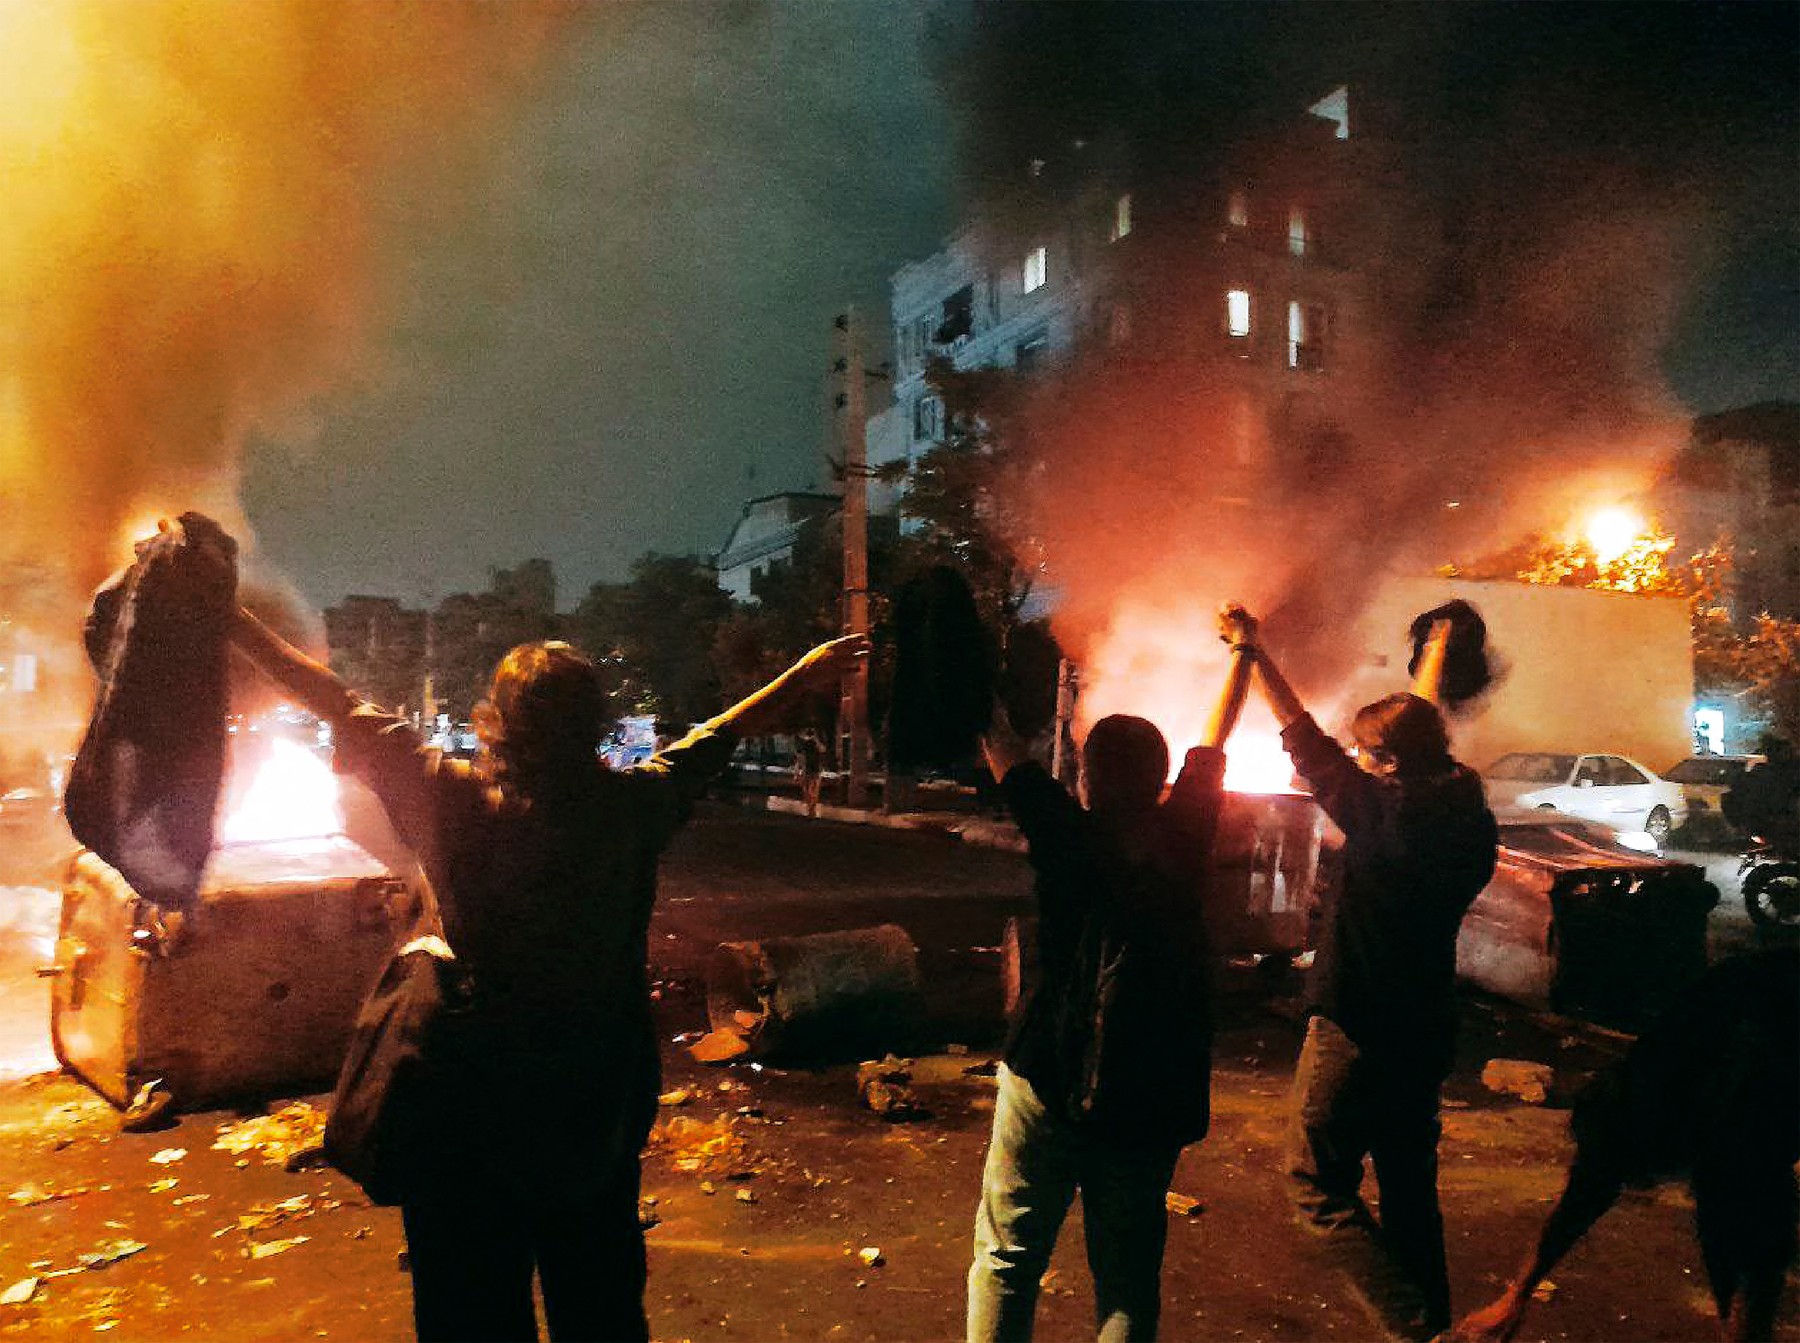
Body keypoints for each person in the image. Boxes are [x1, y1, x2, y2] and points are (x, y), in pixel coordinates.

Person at [228, 589, 867, 1343]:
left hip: (464, 1116)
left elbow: (334, 700)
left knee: (470, 1314)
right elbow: (719, 734)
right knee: (597, 1312)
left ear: (494, 722)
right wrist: (802, 673)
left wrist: (234, 619)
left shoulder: (446, 796)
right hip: (590, 1120)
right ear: (595, 727)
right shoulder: (632, 805)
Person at [965, 621, 1254, 1342]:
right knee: (1125, 1279)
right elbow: (1215, 740)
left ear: (1087, 776)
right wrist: (1244, 653)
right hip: (1149, 1089)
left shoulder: (1064, 831)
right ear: (1161, 779)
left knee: (1007, 1258)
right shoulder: (1185, 831)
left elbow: (1002, 747)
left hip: (1047, 1075)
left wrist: (967, 668)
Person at [1225, 603, 1497, 1342]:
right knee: (1410, 1186)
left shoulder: (1381, 818)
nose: (1356, 761)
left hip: (1357, 1021)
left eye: (1367, 754)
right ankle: (1434, 1325)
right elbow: (1416, 731)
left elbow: (1301, 737)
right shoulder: (1466, 810)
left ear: (1386, 766)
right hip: (1427, 1022)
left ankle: (1417, 1328)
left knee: (1315, 1182)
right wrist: (1437, 650)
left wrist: (1255, 651)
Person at [1456, 948, 1798, 1343]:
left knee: (1747, 1217)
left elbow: (1750, 1241)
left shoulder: (1689, 1116)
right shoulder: (1658, 1097)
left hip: (1766, 1055)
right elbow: (1583, 1200)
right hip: (1745, 1050)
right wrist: (1517, 1294)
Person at [1722, 734, 1800, 854]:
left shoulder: (1757, 771)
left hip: (1758, 826)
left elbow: (1734, 790)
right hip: (1779, 825)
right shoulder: (1785, 773)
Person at [794, 726, 826, 817]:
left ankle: (812, 810)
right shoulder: (802, 743)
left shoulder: (817, 742)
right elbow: (798, 757)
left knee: (814, 790)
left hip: (816, 769)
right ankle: (810, 808)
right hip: (806, 769)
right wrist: (796, 772)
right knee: (807, 791)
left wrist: (816, 739)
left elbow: (822, 749)